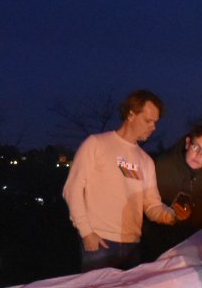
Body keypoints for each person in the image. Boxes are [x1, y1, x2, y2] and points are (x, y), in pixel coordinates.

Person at [61, 89, 185, 271]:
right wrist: (86, 233)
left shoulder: (146, 161)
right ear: (131, 114)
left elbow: (151, 205)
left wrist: (172, 215)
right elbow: (72, 190)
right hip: (100, 243)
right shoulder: (96, 144)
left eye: (156, 122)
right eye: (148, 121)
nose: (153, 127)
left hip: (132, 246)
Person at [142, 123, 202, 259]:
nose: (198, 154)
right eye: (196, 147)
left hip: (197, 250)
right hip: (159, 247)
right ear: (187, 143)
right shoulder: (162, 166)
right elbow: (148, 205)